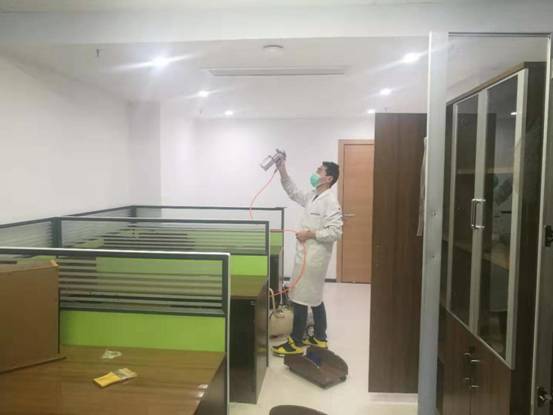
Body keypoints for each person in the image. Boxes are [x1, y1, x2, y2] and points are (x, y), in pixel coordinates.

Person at [272, 159, 343, 356]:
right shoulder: (313, 196)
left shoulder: (330, 201)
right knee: (315, 297)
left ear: (328, 178)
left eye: (319, 170)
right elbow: (293, 192)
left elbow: (336, 232)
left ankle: (295, 343)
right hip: (306, 255)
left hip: (314, 259)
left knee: (301, 298)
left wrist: (310, 234)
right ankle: (319, 338)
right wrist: (282, 169)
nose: (315, 172)